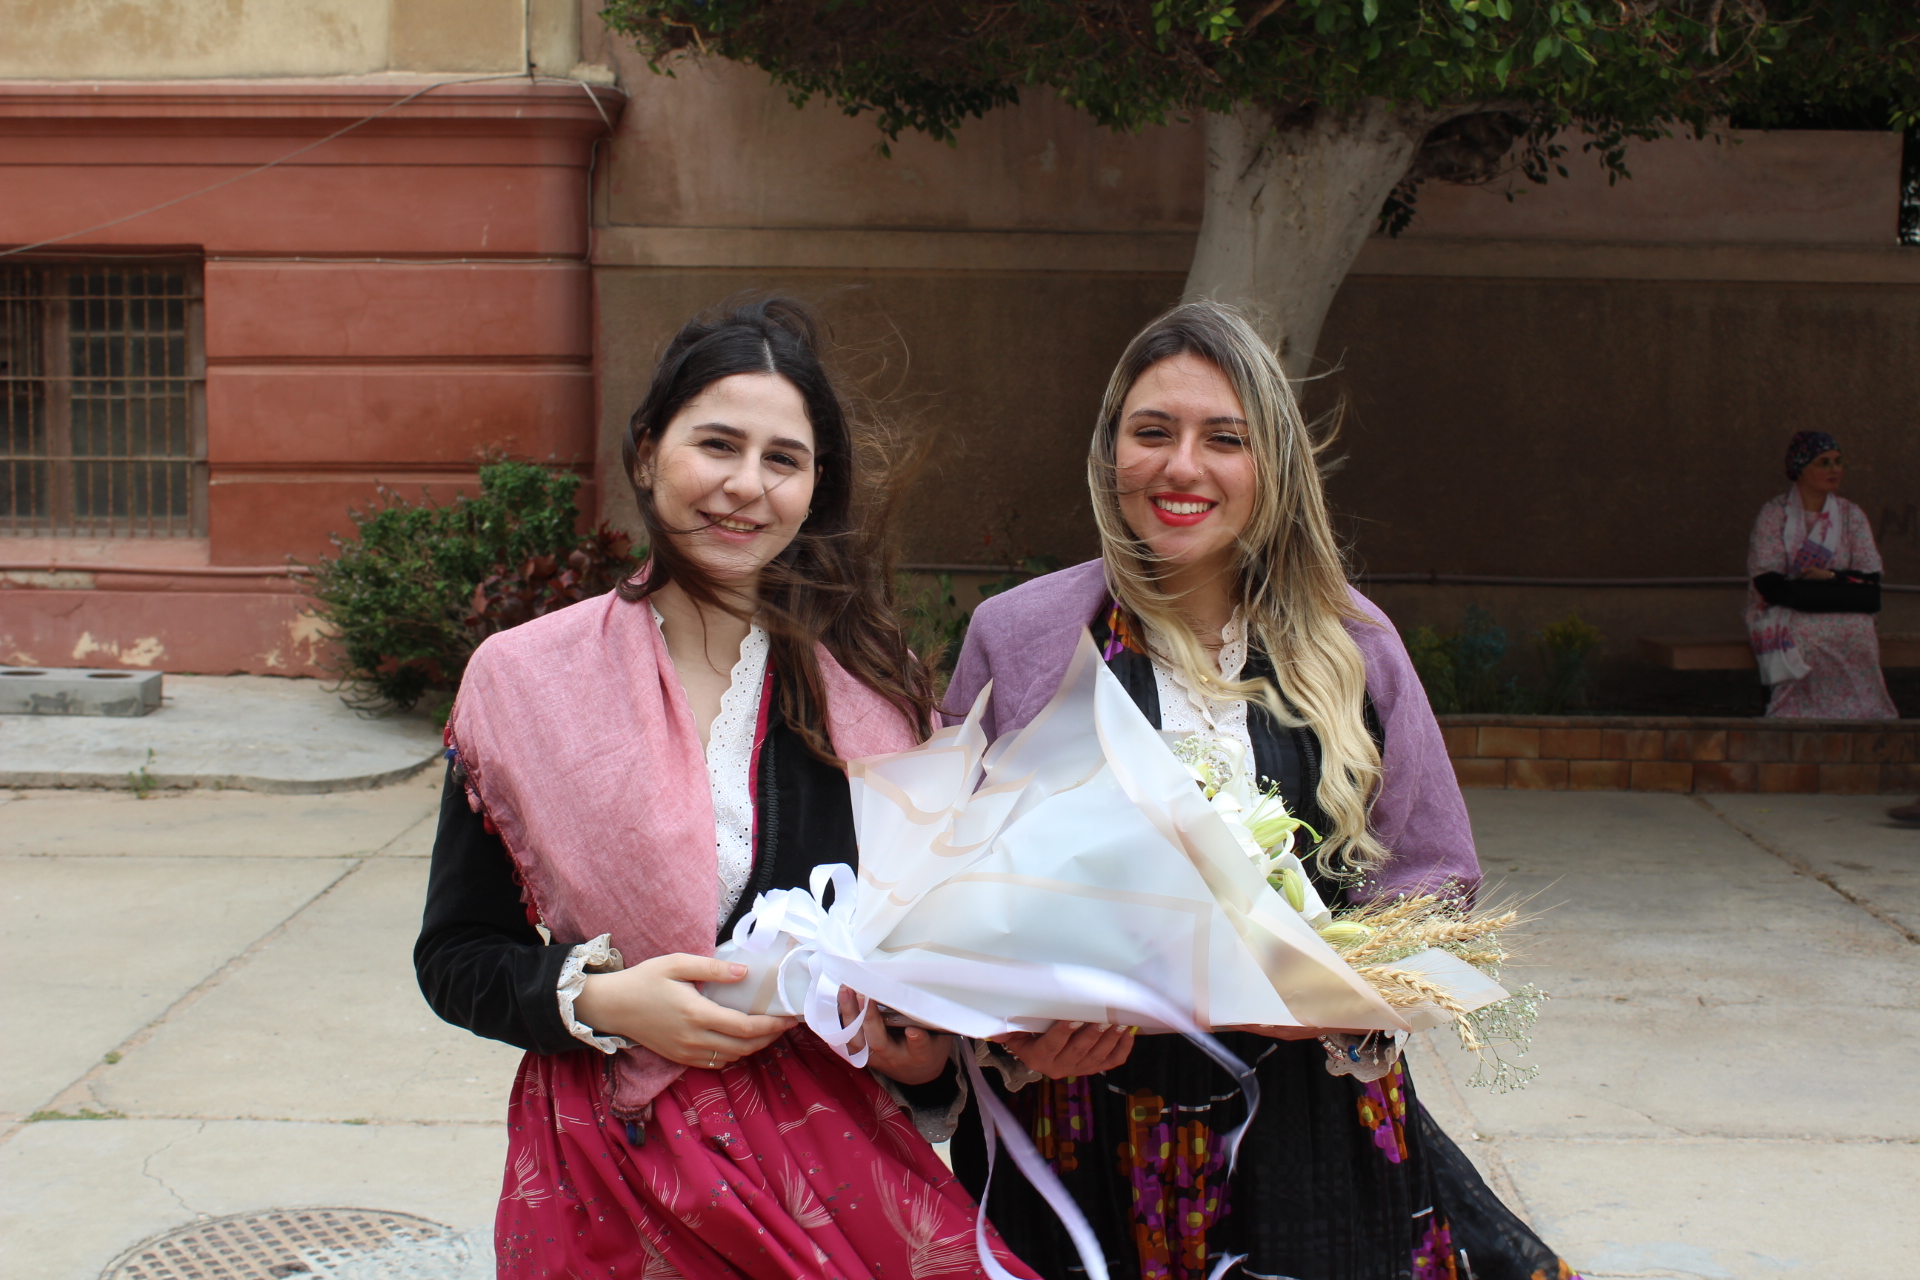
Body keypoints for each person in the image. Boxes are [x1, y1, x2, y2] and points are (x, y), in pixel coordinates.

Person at [415, 297, 1061, 1279]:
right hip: (609, 1168)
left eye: (783, 459)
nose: (746, 485)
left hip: (827, 1169)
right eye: (717, 444)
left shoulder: (873, 693)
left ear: (814, 486)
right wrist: (604, 999)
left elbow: (923, 967)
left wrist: (917, 1043)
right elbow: (457, 953)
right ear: (647, 453)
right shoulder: (526, 680)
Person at [942, 301, 1582, 1280]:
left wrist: (1346, 994)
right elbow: (946, 893)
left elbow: (1434, 880)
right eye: (1152, 431)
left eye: (1224, 438)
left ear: (1272, 462)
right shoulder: (1020, 637)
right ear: (1110, 453)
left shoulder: (1352, 645)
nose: (1181, 466)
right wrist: (1022, 1038)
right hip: (1079, 1136)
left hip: (1310, 1136)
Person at [1744, 431, 1898, 719]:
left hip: (1841, 603)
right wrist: (1805, 587)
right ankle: (1798, 713)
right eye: (1824, 462)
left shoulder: (1851, 514)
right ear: (1800, 468)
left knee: (1859, 630)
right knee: (1804, 633)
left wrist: (1829, 575)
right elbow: (1766, 577)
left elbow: (1870, 575)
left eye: (1838, 462)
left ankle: (1863, 713)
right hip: (1786, 607)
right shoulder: (1775, 514)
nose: (1834, 469)